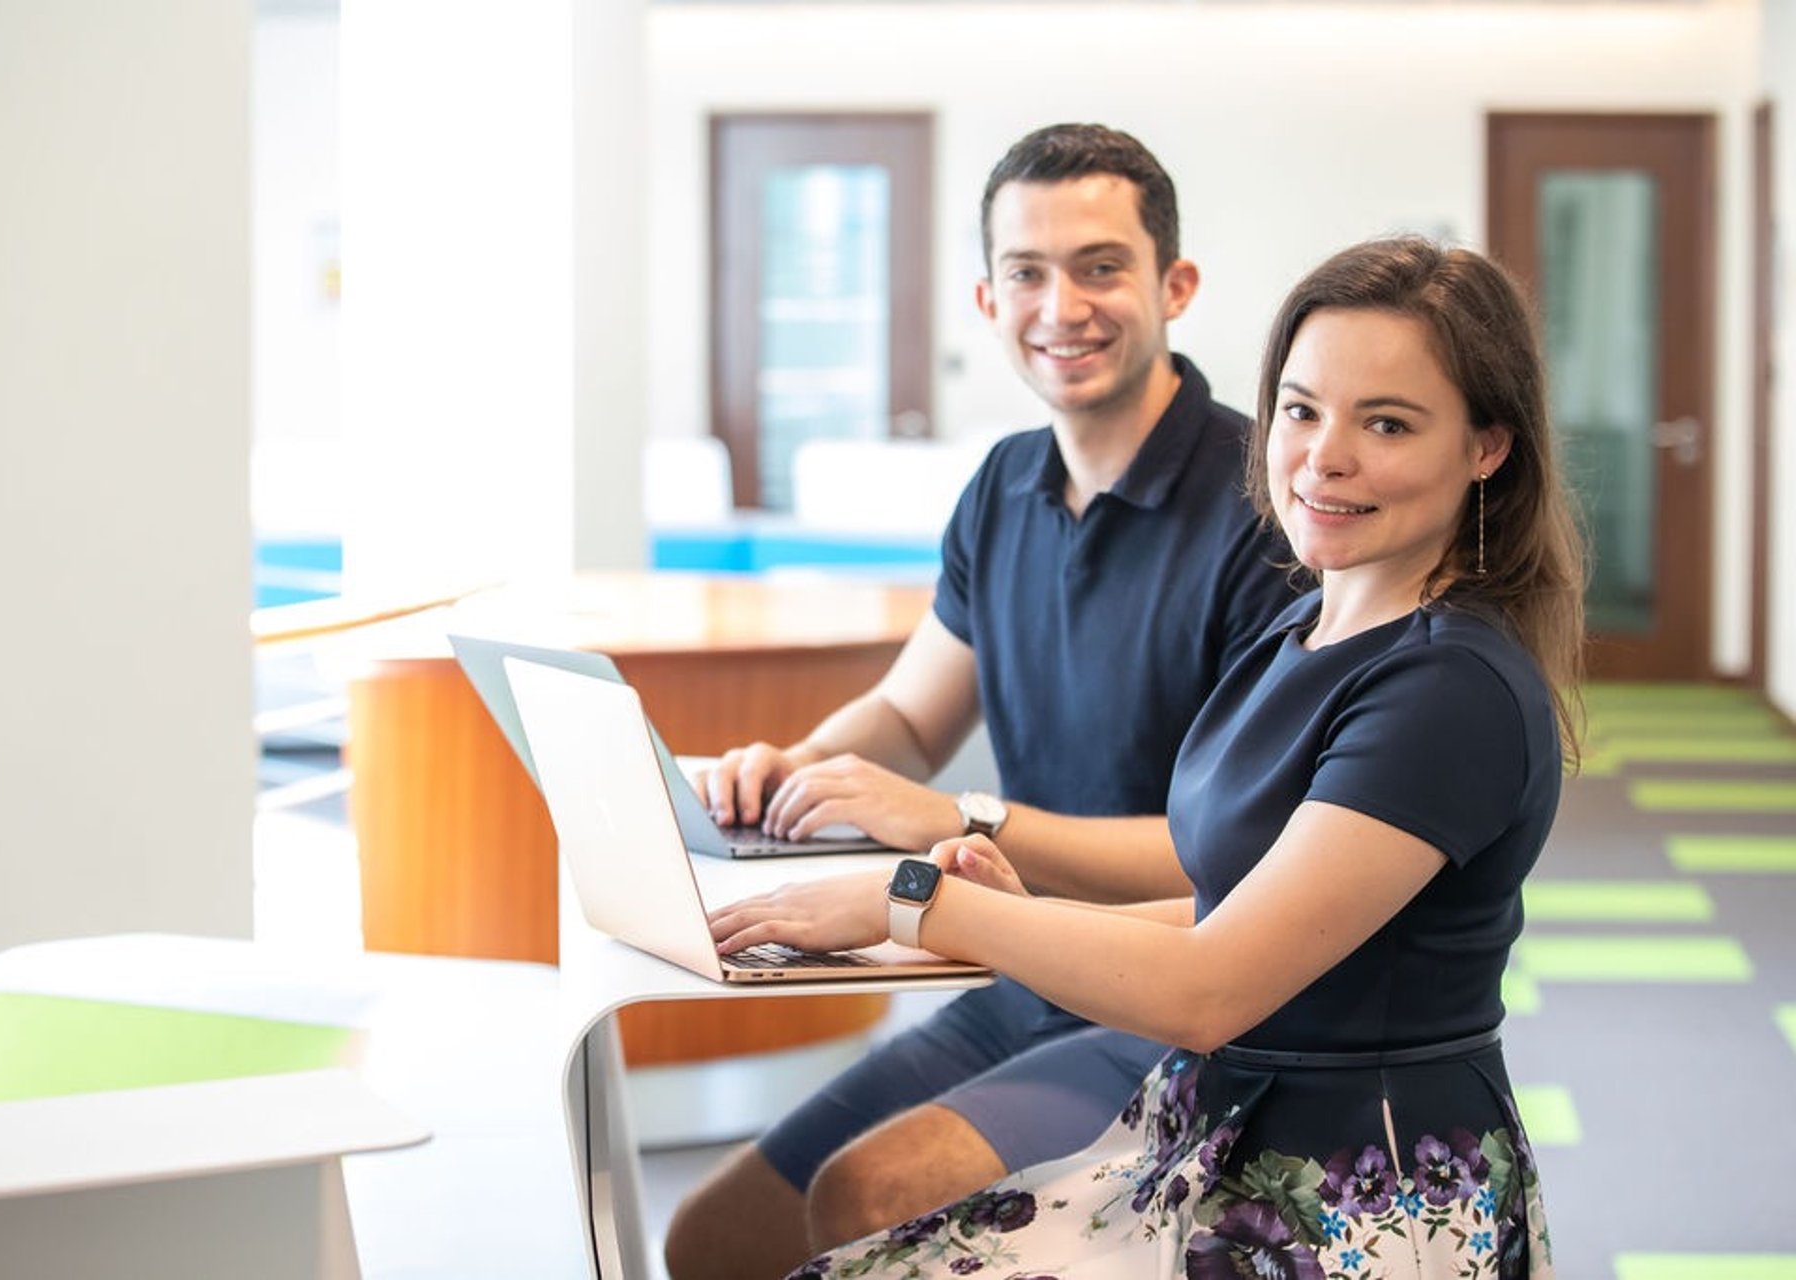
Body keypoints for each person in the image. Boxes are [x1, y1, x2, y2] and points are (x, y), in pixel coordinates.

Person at [709, 235, 1581, 1278]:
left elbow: (1213, 984)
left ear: (1487, 447)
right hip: (1226, 1126)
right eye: (1301, 410)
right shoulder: (1303, 629)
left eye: (1385, 422)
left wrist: (911, 901)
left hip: (1354, 1185)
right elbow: (1228, 904)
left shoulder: (1449, 690)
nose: (1323, 455)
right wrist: (1019, 913)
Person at [662, 124, 1299, 1280]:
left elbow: (1241, 865)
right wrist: (794, 761)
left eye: (1101, 266)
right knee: (716, 1239)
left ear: (1176, 284)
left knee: (873, 1192)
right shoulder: (1004, 484)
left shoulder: (1265, 513)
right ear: (987, 295)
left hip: (1179, 997)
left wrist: (963, 821)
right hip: (1022, 969)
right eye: (1028, 272)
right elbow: (908, 716)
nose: (1064, 304)